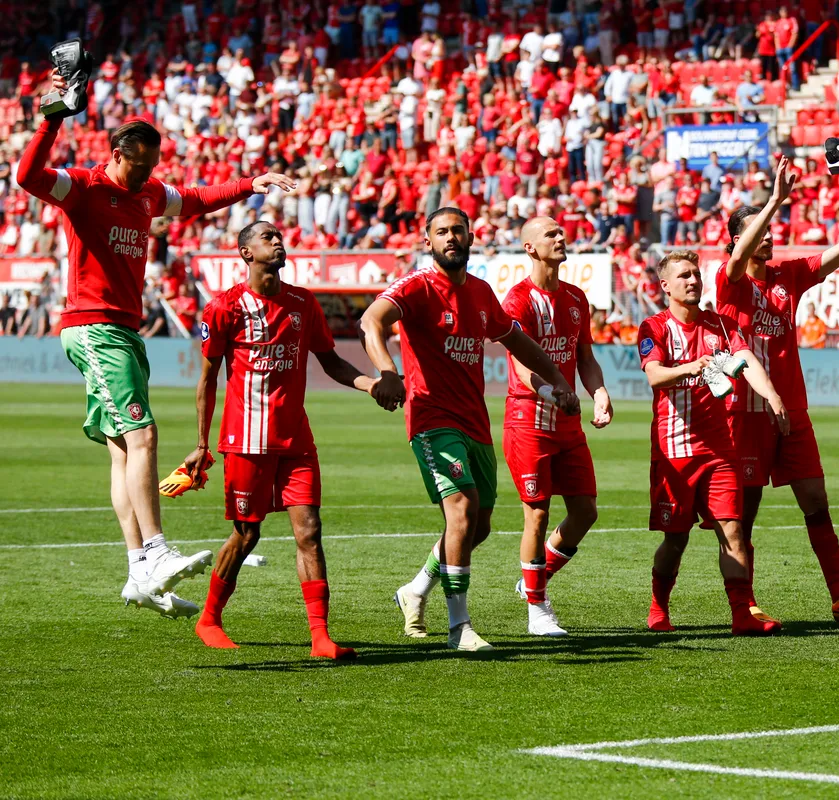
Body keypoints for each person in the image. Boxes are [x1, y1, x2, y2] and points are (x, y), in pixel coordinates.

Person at [16, 83, 294, 617]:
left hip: (123, 330)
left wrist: (248, 186)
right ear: (117, 154)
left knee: (123, 450)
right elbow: (28, 176)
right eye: (140, 166)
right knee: (144, 435)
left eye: (152, 167)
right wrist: (52, 119)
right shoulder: (84, 188)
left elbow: (192, 201)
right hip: (94, 326)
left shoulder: (146, 194)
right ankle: (154, 551)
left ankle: (136, 572)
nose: (147, 176)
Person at [359, 208, 580, 652]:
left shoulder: (480, 293)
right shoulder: (417, 286)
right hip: (431, 418)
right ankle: (459, 626)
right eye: (441, 232)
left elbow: (517, 341)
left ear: (471, 237)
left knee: (477, 527)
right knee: (460, 511)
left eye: (458, 230)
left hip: (475, 423)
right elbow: (372, 321)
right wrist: (386, 371)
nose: (451, 238)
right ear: (428, 242)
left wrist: (557, 378)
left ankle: (416, 589)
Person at [183, 222, 392, 657]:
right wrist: (202, 445)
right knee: (246, 535)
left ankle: (320, 638)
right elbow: (206, 380)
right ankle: (209, 619)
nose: (278, 242)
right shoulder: (224, 307)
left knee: (310, 531)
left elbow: (331, 361)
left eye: (279, 236)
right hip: (246, 440)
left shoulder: (302, 302)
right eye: (267, 237)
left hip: (295, 438)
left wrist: (369, 384)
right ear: (245, 253)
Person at [715, 155, 839, 624]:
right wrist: (773, 200)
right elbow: (735, 259)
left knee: (816, 503)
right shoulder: (728, 281)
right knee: (743, 517)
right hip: (744, 413)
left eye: (772, 227)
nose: (770, 235)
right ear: (739, 239)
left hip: (792, 412)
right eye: (760, 229)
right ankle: (745, 605)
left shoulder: (788, 274)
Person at [638, 249, 786, 636]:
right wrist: (692, 367)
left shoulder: (720, 326)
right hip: (674, 451)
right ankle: (658, 607)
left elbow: (746, 360)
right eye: (683, 275)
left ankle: (742, 615)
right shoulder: (654, 327)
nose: (692, 281)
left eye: (696, 274)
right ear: (665, 285)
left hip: (719, 450)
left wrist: (771, 396)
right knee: (675, 539)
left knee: (733, 530)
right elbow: (654, 376)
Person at [503, 217, 614, 637]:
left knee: (585, 511)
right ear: (531, 248)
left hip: (567, 422)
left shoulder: (575, 298)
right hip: (529, 419)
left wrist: (598, 391)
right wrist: (554, 393)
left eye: (560, 232)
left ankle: (532, 582)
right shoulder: (517, 300)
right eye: (550, 234)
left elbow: (585, 357)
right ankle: (537, 610)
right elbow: (519, 364)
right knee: (537, 513)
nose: (560, 237)